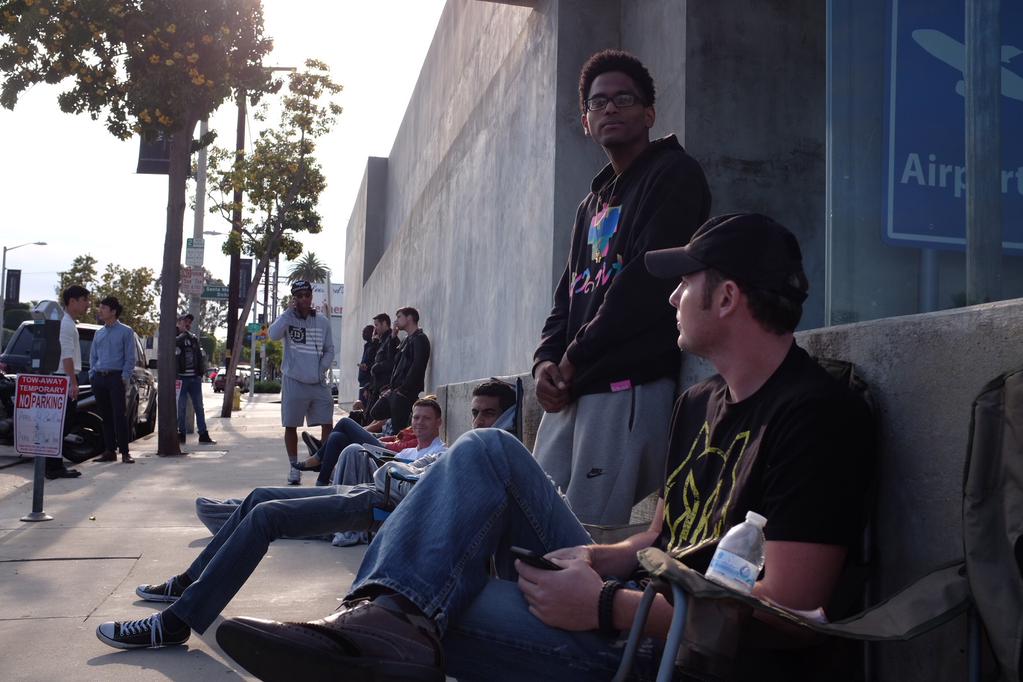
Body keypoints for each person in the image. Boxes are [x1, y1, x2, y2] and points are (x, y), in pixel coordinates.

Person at [211, 214, 875, 682]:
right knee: (482, 456)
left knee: (442, 605)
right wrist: (591, 556)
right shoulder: (699, 403)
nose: (672, 296)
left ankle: (376, 634)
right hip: (642, 599)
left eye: (685, 282)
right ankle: (379, 625)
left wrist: (606, 606)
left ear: (726, 296)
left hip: (679, 652)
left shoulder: (816, 416)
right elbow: (666, 537)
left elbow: (788, 614)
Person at [94, 399, 448, 650]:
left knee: (267, 516)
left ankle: (175, 624)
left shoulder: (451, 453)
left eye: (488, 414)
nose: (478, 420)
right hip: (368, 487)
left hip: (383, 504)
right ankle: (188, 582)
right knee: (260, 495)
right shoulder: (428, 450)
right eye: (476, 413)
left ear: (440, 423)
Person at [532, 50, 712, 526]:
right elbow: (566, 297)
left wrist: (574, 357)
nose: (609, 109)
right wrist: (545, 361)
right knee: (526, 513)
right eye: (597, 103)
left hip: (625, 383)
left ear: (648, 113)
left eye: (623, 99)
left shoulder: (674, 174)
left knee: (584, 534)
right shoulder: (589, 204)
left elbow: (643, 283)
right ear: (586, 122)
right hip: (574, 385)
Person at [268, 280, 335, 485]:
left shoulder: (322, 321)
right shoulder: (287, 319)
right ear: (294, 298)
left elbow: (330, 349)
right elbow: (272, 335)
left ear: (311, 296)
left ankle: (325, 464)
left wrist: (321, 368)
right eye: (299, 295)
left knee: (327, 423)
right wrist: (287, 314)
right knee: (291, 425)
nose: (304, 298)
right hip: (294, 381)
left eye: (307, 294)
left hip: (318, 382)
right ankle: (294, 467)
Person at [47, 284, 89, 480]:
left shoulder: (69, 322)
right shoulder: (65, 324)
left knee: (62, 424)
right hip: (63, 378)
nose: (87, 305)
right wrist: (73, 382)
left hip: (64, 378)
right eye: (84, 300)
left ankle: (55, 465)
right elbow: (67, 356)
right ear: (72, 301)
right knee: (61, 424)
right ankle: (53, 466)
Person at [89, 296, 136, 464]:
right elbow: (93, 356)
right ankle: (109, 451)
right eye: (100, 308)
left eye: (103, 308)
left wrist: (124, 377)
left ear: (113, 311)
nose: (100, 311)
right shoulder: (98, 332)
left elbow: (130, 357)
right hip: (99, 378)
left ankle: (125, 452)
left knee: (119, 415)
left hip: (116, 378)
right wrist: (92, 374)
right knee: (105, 416)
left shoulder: (126, 331)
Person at [369, 306, 430, 432]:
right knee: (375, 412)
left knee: (399, 430)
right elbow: (394, 361)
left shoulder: (420, 339)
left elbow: (417, 366)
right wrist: (393, 336)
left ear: (409, 318)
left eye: (399, 317)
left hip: (405, 394)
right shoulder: (406, 340)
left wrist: (403, 389)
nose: (396, 321)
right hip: (395, 391)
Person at [175, 313, 215, 445]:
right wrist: (182, 335)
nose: (187, 324)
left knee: (199, 406)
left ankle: (203, 434)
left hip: (194, 378)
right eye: (184, 321)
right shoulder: (174, 337)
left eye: (189, 322)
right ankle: (181, 433)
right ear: (178, 323)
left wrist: (200, 373)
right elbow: (174, 347)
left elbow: (199, 355)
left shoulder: (193, 339)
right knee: (181, 407)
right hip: (181, 378)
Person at [366, 313, 398, 414]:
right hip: (376, 386)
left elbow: (392, 362)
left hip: (384, 386)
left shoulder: (391, 340)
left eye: (376, 325)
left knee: (375, 415)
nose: (375, 329)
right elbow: (372, 359)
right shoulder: (381, 341)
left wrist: (376, 367)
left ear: (384, 323)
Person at [356, 324, 378, 406]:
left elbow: (375, 363)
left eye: (365, 331)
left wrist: (367, 367)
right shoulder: (367, 345)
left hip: (368, 384)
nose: (363, 333)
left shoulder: (374, 345)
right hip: (362, 383)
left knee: (366, 407)